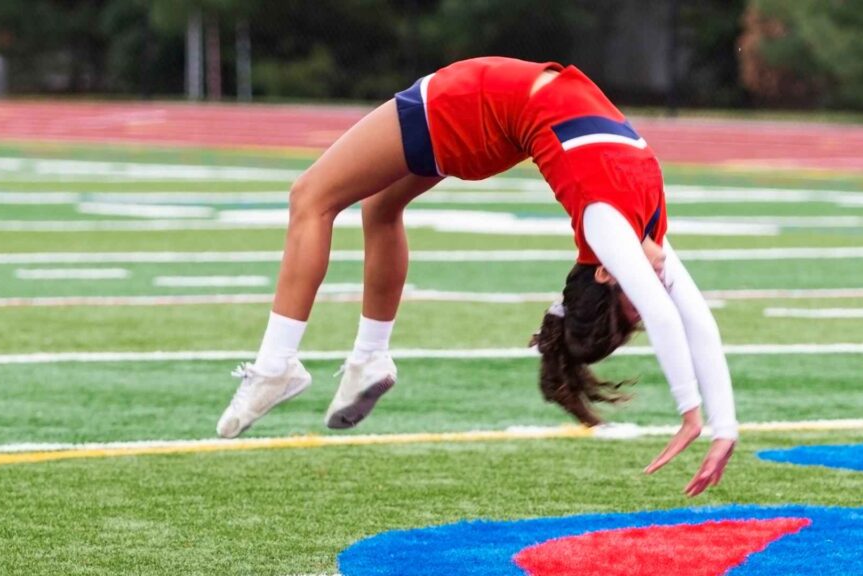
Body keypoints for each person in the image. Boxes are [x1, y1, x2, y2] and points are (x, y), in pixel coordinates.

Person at [216, 57, 737, 496]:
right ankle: (369, 357)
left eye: (635, 297)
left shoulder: (606, 225)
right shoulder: (648, 234)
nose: (654, 286)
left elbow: (667, 317)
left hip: (473, 106)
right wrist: (724, 427)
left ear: (605, 272)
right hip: (496, 121)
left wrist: (691, 414)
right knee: (380, 207)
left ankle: (275, 365)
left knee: (310, 198)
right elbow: (696, 318)